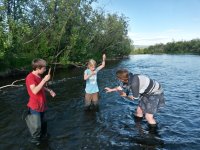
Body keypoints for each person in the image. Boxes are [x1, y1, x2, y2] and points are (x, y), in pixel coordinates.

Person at [25, 58, 56, 145]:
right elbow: (34, 90)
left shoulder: (38, 76)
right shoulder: (30, 77)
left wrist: (49, 91)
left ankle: (44, 138)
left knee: (44, 124)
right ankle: (35, 142)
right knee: (36, 127)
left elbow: (41, 86)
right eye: (44, 68)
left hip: (42, 105)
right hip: (34, 106)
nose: (45, 70)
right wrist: (44, 80)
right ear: (38, 68)